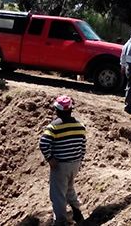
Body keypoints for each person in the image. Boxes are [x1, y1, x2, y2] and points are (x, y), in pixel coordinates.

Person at [39, 95, 86, 226]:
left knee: (58, 194)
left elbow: (43, 143)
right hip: (75, 163)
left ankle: (60, 221)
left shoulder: (54, 127)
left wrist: (50, 158)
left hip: (60, 165)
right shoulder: (80, 126)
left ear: (56, 111)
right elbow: (83, 145)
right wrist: (79, 160)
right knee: (69, 187)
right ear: (71, 110)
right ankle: (77, 211)